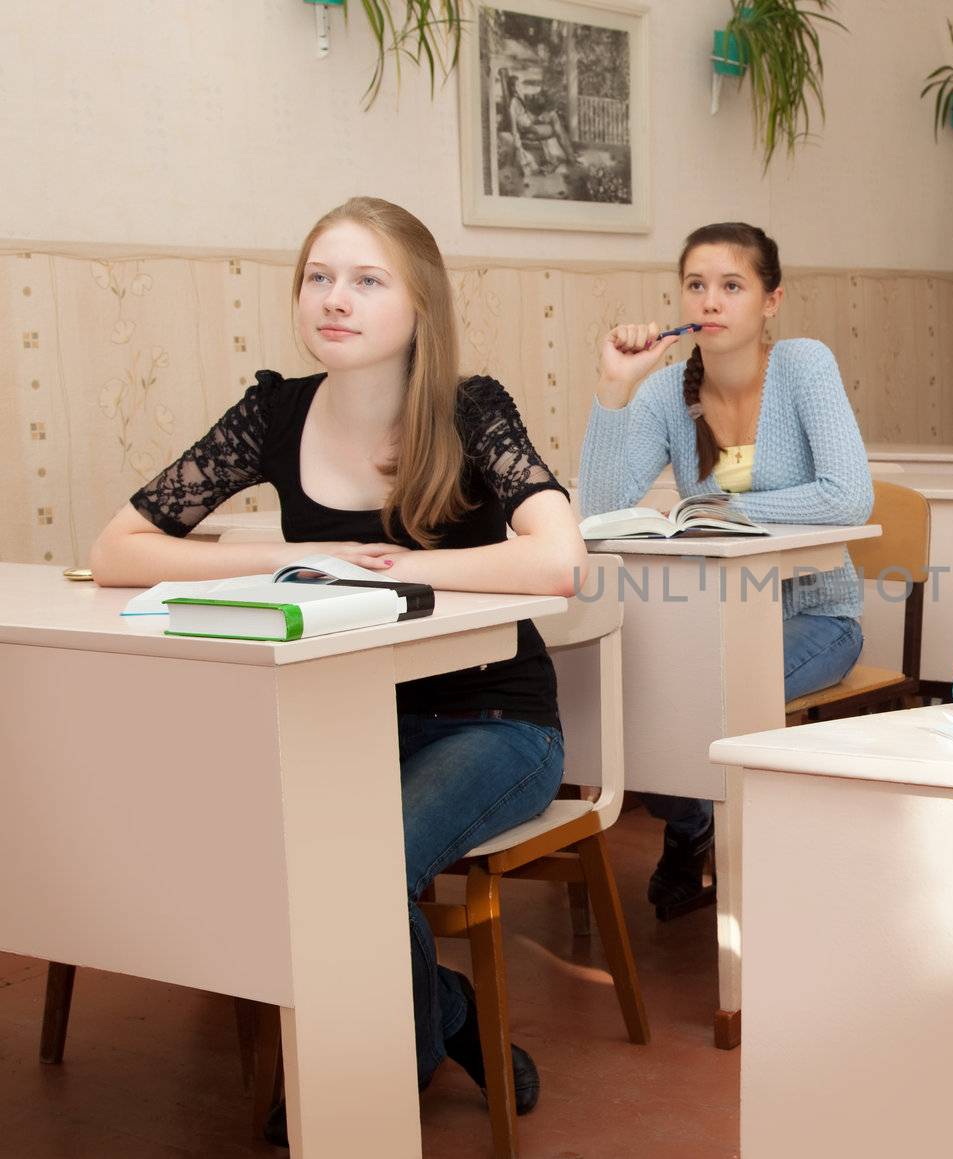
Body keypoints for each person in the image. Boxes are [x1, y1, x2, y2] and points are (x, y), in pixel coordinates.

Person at [89, 196, 587, 1143]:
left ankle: (374, 1078)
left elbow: (559, 560)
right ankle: (447, 1012)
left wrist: (401, 567)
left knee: (359, 861)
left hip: (493, 721)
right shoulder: (274, 410)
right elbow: (120, 548)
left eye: (366, 280)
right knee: (233, 849)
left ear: (419, 304)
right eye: (319, 276)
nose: (334, 299)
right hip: (340, 716)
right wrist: (280, 559)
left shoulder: (468, 408)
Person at [578, 222, 872, 919]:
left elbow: (847, 495)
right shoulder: (666, 392)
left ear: (770, 301)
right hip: (709, 620)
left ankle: (730, 851)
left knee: (703, 700)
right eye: (696, 284)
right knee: (645, 700)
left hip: (816, 617)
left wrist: (720, 507)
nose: (711, 299)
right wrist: (615, 387)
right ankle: (695, 828)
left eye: (732, 285)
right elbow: (597, 509)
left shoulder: (804, 365)